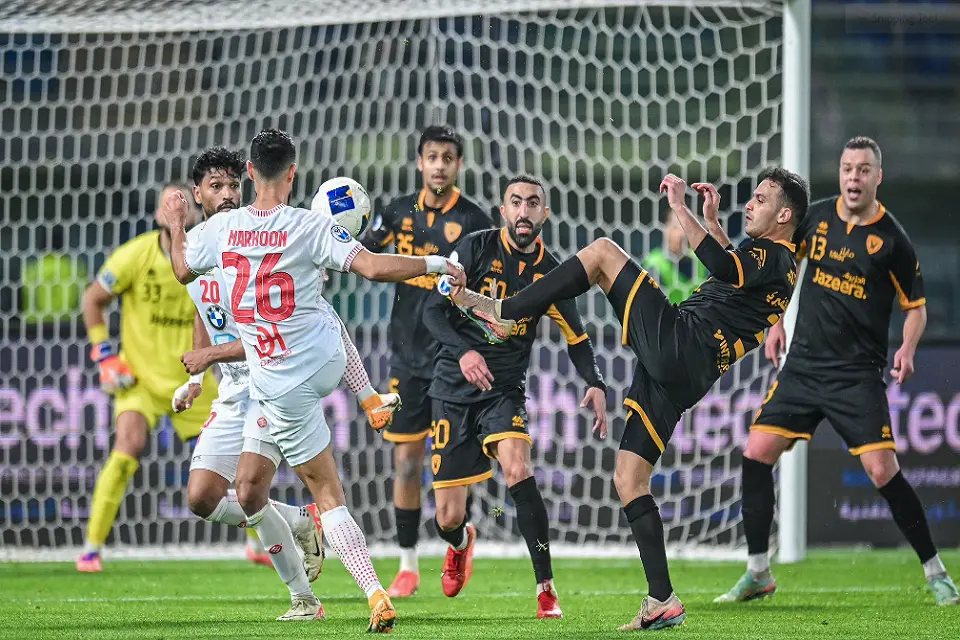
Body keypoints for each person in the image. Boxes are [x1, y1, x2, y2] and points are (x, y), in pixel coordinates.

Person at [449, 168, 808, 630]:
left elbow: (724, 268)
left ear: (784, 215)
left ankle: (505, 311)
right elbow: (733, 273)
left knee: (602, 252)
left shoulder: (775, 254)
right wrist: (713, 224)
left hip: (681, 341)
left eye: (760, 198)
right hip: (687, 375)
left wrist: (679, 208)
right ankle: (663, 600)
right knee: (629, 479)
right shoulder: (776, 264)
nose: (751, 204)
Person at [160, 128, 465, 633]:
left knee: (327, 493)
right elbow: (373, 267)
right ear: (294, 173)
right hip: (322, 363)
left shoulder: (223, 230)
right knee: (251, 488)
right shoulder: (309, 225)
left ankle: (373, 592)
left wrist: (176, 225)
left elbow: (181, 270)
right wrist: (437, 264)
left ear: (249, 173)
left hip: (277, 382)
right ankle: (366, 398)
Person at [715, 137, 960, 607]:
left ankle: (936, 571)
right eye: (848, 168)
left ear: (877, 178)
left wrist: (908, 349)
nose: (853, 177)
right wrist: (775, 321)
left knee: (882, 470)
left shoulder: (893, 241)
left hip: (856, 375)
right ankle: (758, 572)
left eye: (863, 170)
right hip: (804, 366)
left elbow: (916, 308)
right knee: (756, 452)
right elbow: (786, 260)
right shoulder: (818, 217)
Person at [169, 146, 394, 620]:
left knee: (252, 492)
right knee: (201, 498)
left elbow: (269, 334)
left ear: (248, 181)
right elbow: (203, 311)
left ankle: (304, 599)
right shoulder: (206, 244)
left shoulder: (260, 243)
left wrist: (210, 355)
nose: (227, 194)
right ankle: (298, 520)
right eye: (216, 186)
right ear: (197, 194)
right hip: (232, 390)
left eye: (234, 185)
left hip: (269, 378)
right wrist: (199, 377)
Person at [424, 174, 607, 618]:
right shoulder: (473, 249)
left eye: (533, 203)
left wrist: (596, 382)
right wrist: (465, 352)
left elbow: (578, 339)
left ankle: (546, 588)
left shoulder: (554, 274)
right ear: (503, 210)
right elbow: (433, 312)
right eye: (516, 202)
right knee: (448, 517)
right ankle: (461, 542)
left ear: (545, 213)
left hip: (503, 390)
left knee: (518, 469)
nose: (524, 211)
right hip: (452, 387)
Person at [361, 125, 492, 597]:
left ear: (459, 164)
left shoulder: (475, 221)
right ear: (419, 162)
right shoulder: (397, 212)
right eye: (432, 156)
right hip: (406, 355)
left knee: (448, 468)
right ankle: (408, 564)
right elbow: (364, 255)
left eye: (447, 157)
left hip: (451, 359)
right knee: (405, 462)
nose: (439, 165)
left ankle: (458, 539)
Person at [75, 184, 218, 573]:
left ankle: (261, 545)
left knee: (226, 464)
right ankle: (91, 548)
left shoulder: (207, 258)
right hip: (139, 380)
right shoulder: (134, 256)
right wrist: (105, 356)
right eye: (168, 206)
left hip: (192, 381)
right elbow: (92, 300)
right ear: (157, 215)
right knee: (128, 446)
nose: (176, 211)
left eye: (182, 205)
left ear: (193, 214)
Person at [643, 214, 708, 304]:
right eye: (676, 227)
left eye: (685, 227)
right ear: (666, 228)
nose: (681, 233)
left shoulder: (700, 258)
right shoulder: (653, 263)